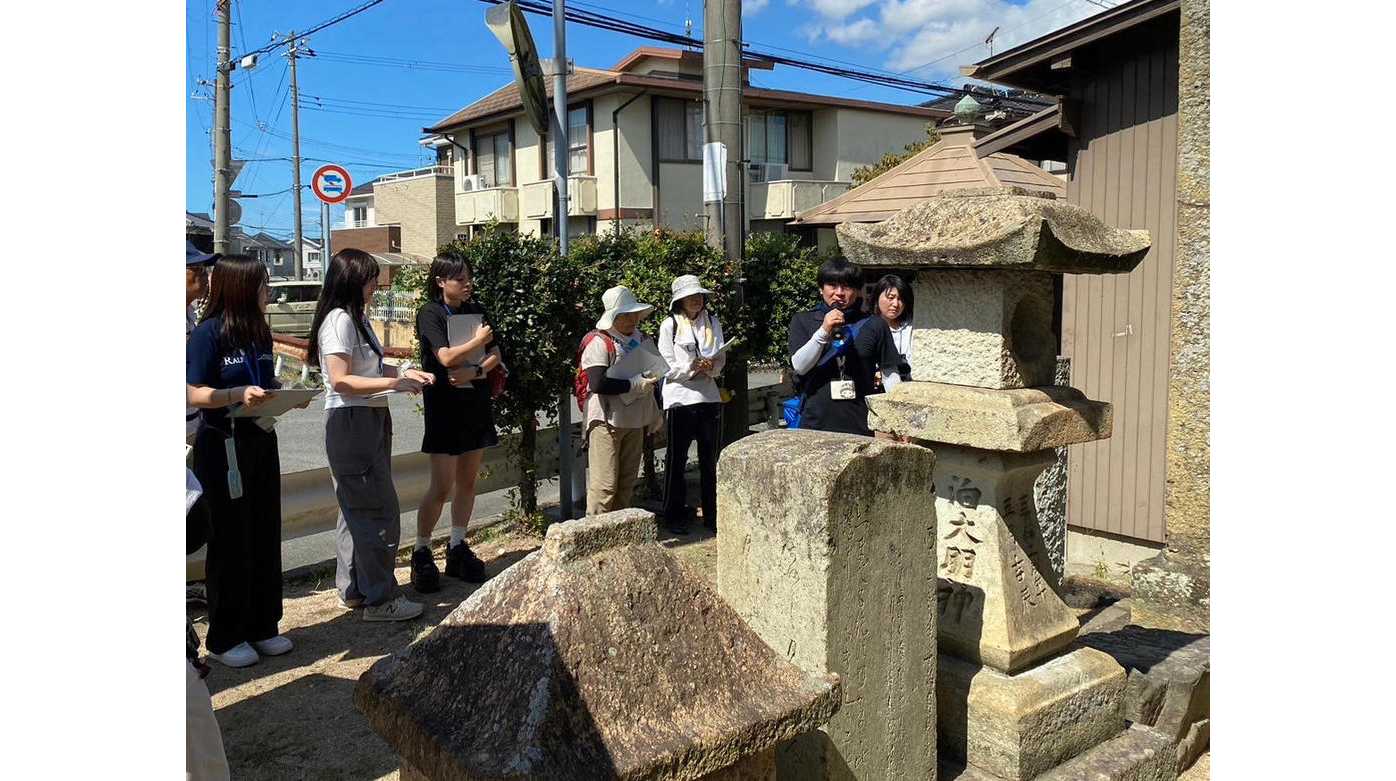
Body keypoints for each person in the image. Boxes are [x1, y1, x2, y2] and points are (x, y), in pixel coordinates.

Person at [308, 248, 437, 621]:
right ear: (351, 280)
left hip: (366, 418)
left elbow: (371, 365)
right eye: (369, 279)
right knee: (377, 511)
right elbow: (342, 379)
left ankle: (355, 590)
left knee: (355, 510)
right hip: (353, 421)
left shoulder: (354, 318)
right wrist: (396, 384)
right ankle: (380, 599)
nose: (375, 287)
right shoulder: (340, 320)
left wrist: (406, 372)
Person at [186, 255, 295, 667]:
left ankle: (264, 624)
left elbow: (263, 382)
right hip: (222, 445)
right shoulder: (207, 334)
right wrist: (236, 395)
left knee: (265, 531)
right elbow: (193, 393)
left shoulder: (258, 333)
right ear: (240, 287)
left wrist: (284, 395)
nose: (268, 292)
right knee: (230, 539)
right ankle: (227, 634)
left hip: (261, 439)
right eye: (263, 284)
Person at [410, 254, 502, 592]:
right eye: (459, 278)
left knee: (467, 481)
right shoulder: (430, 313)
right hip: (445, 408)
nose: (467, 284)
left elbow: (496, 357)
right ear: (440, 281)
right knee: (441, 485)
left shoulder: (475, 310)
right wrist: (477, 342)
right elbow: (445, 356)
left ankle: (457, 545)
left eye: (468, 277)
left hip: (474, 404)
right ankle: (421, 550)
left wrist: (477, 370)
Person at [787, 258, 905, 437]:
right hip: (814, 423)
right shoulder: (803, 320)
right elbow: (800, 366)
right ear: (821, 288)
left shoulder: (874, 324)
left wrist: (899, 419)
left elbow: (890, 375)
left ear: (857, 291)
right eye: (832, 285)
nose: (839, 293)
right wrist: (824, 330)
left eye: (847, 287)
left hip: (859, 423)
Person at [580, 286, 662, 515]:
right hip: (606, 421)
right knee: (604, 487)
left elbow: (655, 374)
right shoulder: (599, 342)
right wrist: (633, 384)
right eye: (625, 315)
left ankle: (619, 540)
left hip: (636, 420)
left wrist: (655, 411)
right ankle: (594, 539)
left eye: (634, 313)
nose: (632, 319)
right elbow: (597, 383)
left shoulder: (643, 339)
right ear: (612, 317)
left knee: (626, 484)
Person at [656, 275, 725, 535]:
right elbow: (666, 366)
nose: (696, 300)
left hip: (708, 396)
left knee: (710, 459)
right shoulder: (669, 325)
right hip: (680, 400)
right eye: (690, 296)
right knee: (677, 459)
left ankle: (712, 514)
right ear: (679, 301)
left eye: (699, 295)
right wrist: (690, 368)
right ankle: (673, 516)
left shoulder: (713, 322)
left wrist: (712, 367)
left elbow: (721, 357)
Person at [872, 273, 914, 390]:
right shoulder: (868, 328)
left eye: (900, 299)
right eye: (890, 298)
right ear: (877, 298)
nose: (895, 304)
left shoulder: (912, 327)